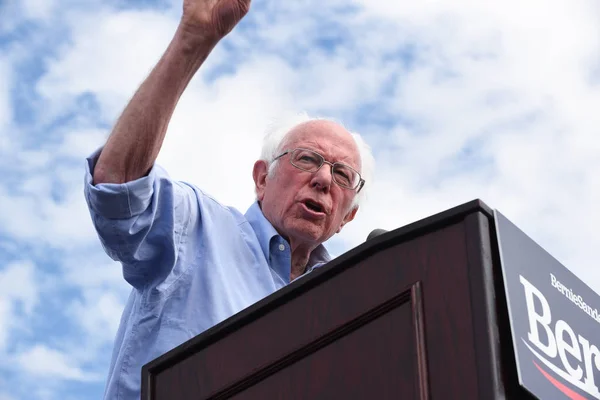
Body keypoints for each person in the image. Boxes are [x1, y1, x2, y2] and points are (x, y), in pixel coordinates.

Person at [84, 0, 374, 398]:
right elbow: (118, 188)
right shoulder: (194, 228)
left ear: (348, 217)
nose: (324, 178)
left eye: (343, 174)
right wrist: (193, 38)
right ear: (262, 179)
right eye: (307, 159)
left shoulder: (350, 305)